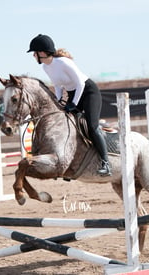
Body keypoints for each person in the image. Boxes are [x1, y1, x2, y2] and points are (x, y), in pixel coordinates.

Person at [27, 34, 111, 176]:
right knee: (69, 123)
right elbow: (58, 86)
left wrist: (73, 103)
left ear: (42, 52)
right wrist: (59, 102)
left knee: (92, 126)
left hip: (88, 92)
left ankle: (106, 163)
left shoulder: (63, 62)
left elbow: (80, 83)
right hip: (73, 94)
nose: (33, 56)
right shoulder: (46, 68)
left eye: (34, 53)